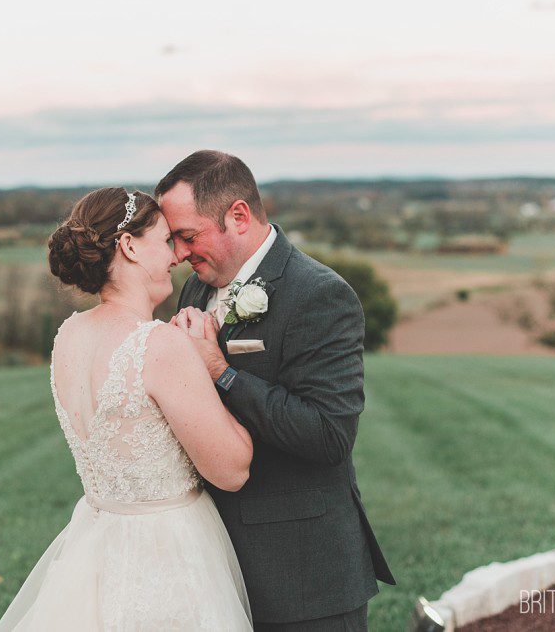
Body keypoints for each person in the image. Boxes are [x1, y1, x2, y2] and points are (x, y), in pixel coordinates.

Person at [0, 187, 254, 631]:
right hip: (168, 558)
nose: (176, 256)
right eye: (165, 239)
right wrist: (212, 365)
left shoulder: (68, 337)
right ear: (130, 246)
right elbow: (233, 469)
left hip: (94, 548)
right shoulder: (160, 344)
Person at [158, 150, 396, 631]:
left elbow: (328, 435)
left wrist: (223, 373)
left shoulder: (320, 295)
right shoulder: (195, 291)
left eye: (188, 236)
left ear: (238, 216)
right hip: (212, 569)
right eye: (174, 240)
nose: (180, 254)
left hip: (303, 576)